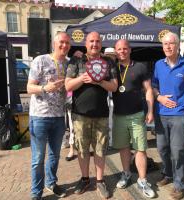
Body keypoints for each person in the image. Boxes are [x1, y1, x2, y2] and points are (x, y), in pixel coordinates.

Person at [65, 32, 118, 199]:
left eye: (97, 41)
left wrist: (99, 82)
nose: (95, 44)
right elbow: (68, 85)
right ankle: (85, 178)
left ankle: (100, 181)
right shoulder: (77, 60)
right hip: (80, 114)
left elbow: (114, 87)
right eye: (91, 41)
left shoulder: (109, 62)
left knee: (100, 149)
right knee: (82, 149)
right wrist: (82, 78)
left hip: (101, 114)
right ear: (86, 43)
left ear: (101, 43)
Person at [152, 32, 184, 200]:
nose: (168, 47)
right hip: (161, 115)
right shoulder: (158, 65)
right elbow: (154, 86)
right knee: (162, 148)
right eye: (165, 44)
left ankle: (179, 185)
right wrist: (159, 97)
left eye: (171, 43)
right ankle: (168, 174)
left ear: (178, 45)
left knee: (177, 151)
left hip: (179, 115)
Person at [27, 31, 71, 200]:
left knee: (54, 155)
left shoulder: (69, 63)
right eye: (61, 42)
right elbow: (29, 87)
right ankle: (36, 193)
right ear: (54, 43)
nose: (64, 46)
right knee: (38, 158)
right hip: (39, 116)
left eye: (67, 43)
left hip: (59, 117)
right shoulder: (41, 60)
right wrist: (45, 88)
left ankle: (51, 183)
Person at [112, 39, 156, 198]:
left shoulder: (140, 67)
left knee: (140, 149)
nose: (122, 51)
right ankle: (126, 174)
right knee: (123, 147)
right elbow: (94, 59)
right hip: (118, 115)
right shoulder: (112, 67)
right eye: (119, 49)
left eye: (125, 48)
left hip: (137, 115)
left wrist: (150, 111)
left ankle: (142, 180)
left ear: (130, 50)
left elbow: (149, 90)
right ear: (115, 51)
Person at [104, 47, 116, 147]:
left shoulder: (117, 67)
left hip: (116, 98)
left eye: (112, 56)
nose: (111, 58)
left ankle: (111, 141)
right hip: (106, 98)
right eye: (108, 56)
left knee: (113, 121)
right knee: (107, 121)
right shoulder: (102, 66)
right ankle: (109, 141)